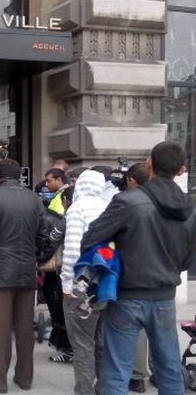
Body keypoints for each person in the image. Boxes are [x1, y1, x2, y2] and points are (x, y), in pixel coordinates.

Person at [81, 141, 196, 395]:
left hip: (127, 296)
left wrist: (113, 257)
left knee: (117, 372)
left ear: (149, 164)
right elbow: (188, 260)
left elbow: (90, 240)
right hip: (165, 297)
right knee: (168, 370)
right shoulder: (190, 209)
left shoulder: (128, 201)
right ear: (181, 170)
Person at [0, 158, 48, 393]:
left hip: (0, 270)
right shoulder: (33, 198)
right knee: (25, 328)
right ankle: (25, 377)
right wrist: (38, 258)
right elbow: (44, 233)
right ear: (18, 176)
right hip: (26, 269)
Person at [60, 170, 108, 395]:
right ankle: (104, 387)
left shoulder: (77, 209)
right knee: (102, 342)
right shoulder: (110, 207)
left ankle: (84, 390)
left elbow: (72, 250)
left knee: (82, 343)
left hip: (82, 286)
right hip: (106, 284)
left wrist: (67, 285)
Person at [38, 185, 75, 364]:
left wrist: (40, 259)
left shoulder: (67, 220)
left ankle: (68, 350)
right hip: (92, 274)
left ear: (65, 201)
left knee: (63, 311)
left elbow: (52, 241)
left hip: (68, 272)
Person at [124, 162, 151, 393]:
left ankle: (137, 375)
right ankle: (158, 374)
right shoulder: (173, 201)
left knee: (136, 329)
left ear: (132, 180)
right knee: (163, 334)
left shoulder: (129, 203)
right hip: (164, 278)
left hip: (137, 277)